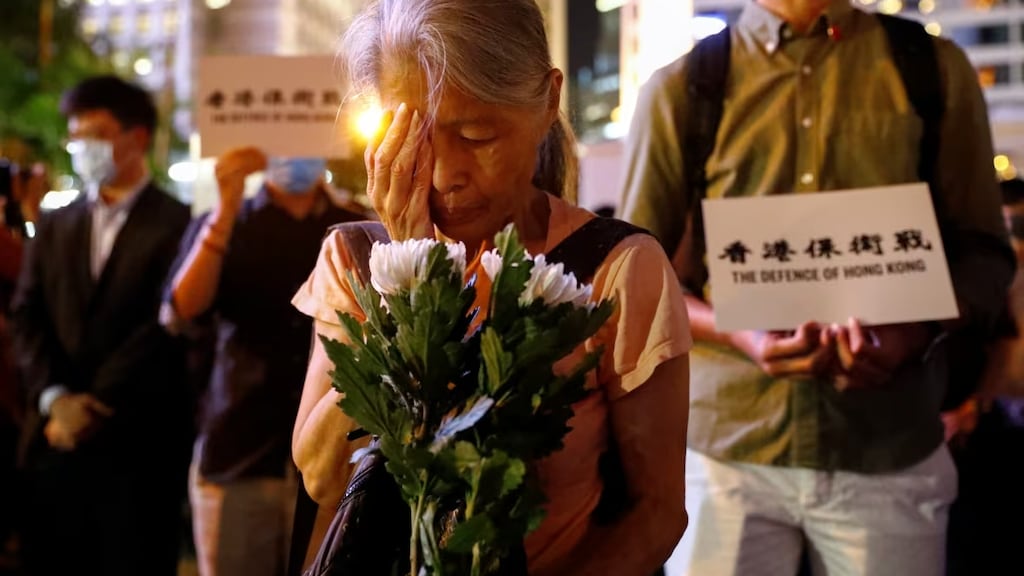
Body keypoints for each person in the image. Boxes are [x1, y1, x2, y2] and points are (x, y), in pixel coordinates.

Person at [288, 1, 692, 575]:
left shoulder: (615, 269)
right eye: (413, 136)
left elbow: (656, 511)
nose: (444, 175)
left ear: (548, 102)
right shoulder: (355, 261)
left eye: (476, 135)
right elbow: (325, 478)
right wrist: (409, 278)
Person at [618, 1, 1015, 575]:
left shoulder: (932, 67)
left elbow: (985, 253)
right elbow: (638, 278)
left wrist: (914, 332)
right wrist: (742, 333)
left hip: (888, 442)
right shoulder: (683, 85)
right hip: (728, 451)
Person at [10, 75, 192, 576]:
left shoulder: (179, 223)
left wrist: (93, 404)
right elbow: (27, 315)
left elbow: (164, 326)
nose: (80, 147)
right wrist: (55, 398)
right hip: (54, 442)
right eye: (76, 135)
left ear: (137, 138)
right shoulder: (56, 222)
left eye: (94, 134)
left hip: (138, 448)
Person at [160, 149, 365, 576]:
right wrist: (225, 209)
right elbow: (180, 311)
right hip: (240, 445)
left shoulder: (354, 228)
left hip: (335, 457)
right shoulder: (226, 220)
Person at [943, 177, 1024, 576]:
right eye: (1007, 227)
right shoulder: (980, 280)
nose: (1015, 239)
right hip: (974, 423)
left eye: (1019, 226)